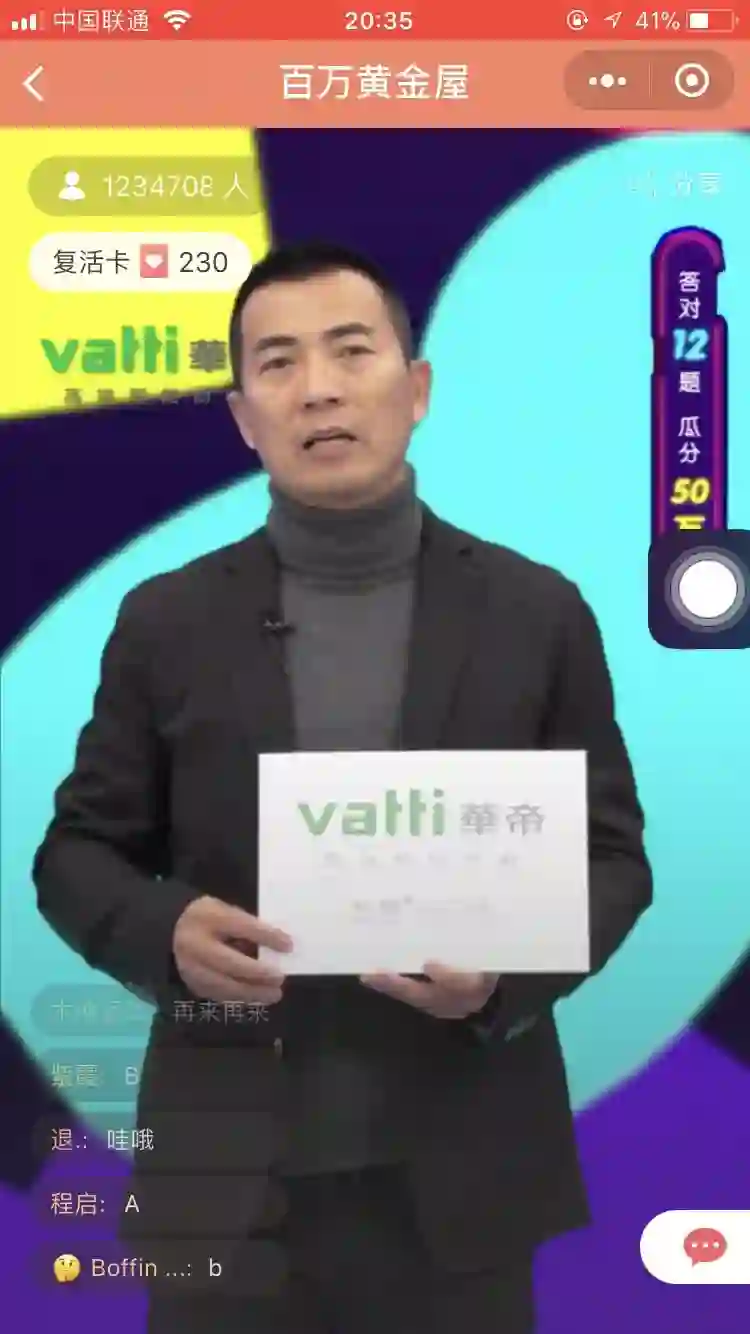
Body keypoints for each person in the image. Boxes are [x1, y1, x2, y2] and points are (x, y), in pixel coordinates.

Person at [33, 241, 653, 1334]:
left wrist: (503, 976)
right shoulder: (165, 621)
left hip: (461, 1180)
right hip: (228, 1186)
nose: (317, 387)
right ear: (243, 417)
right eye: (277, 363)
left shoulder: (536, 612)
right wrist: (164, 928)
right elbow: (77, 854)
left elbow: (613, 860)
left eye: (351, 350)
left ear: (416, 388)